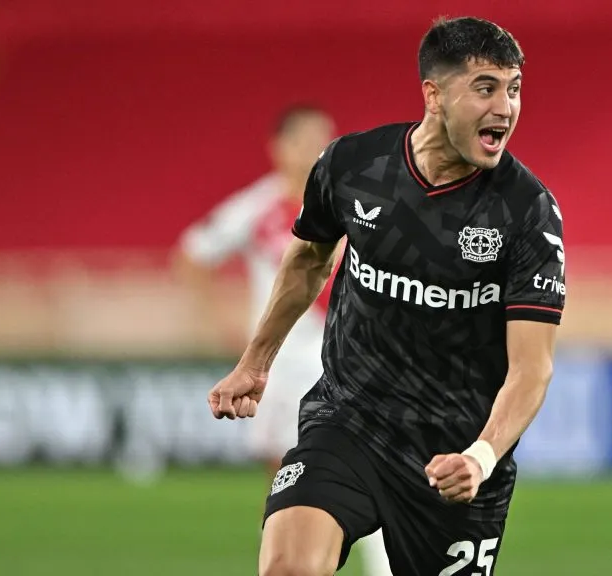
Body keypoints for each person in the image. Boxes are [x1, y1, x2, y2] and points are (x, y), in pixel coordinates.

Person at [207, 16, 566, 576]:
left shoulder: (526, 212)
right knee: (288, 568)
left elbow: (531, 370)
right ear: (434, 94)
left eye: (514, 88)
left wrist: (481, 455)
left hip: (452, 457)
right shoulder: (354, 166)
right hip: (349, 421)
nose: (506, 107)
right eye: (486, 88)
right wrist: (256, 362)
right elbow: (308, 259)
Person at [177, 105, 392, 576]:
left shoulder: (354, 202)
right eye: (307, 139)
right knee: (286, 478)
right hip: (281, 364)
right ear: (280, 148)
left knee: (364, 464)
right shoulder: (257, 208)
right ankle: (286, 560)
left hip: (346, 357)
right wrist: (221, 323)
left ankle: (381, 565)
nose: (319, 150)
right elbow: (192, 253)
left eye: (326, 138)